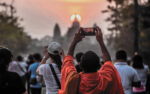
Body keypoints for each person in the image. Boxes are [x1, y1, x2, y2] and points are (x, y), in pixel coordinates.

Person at [58, 26, 124, 94]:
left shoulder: (74, 80)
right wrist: (101, 41)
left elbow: (68, 61)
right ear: (99, 66)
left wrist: (74, 41)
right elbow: (108, 63)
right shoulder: (105, 80)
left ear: (80, 65)